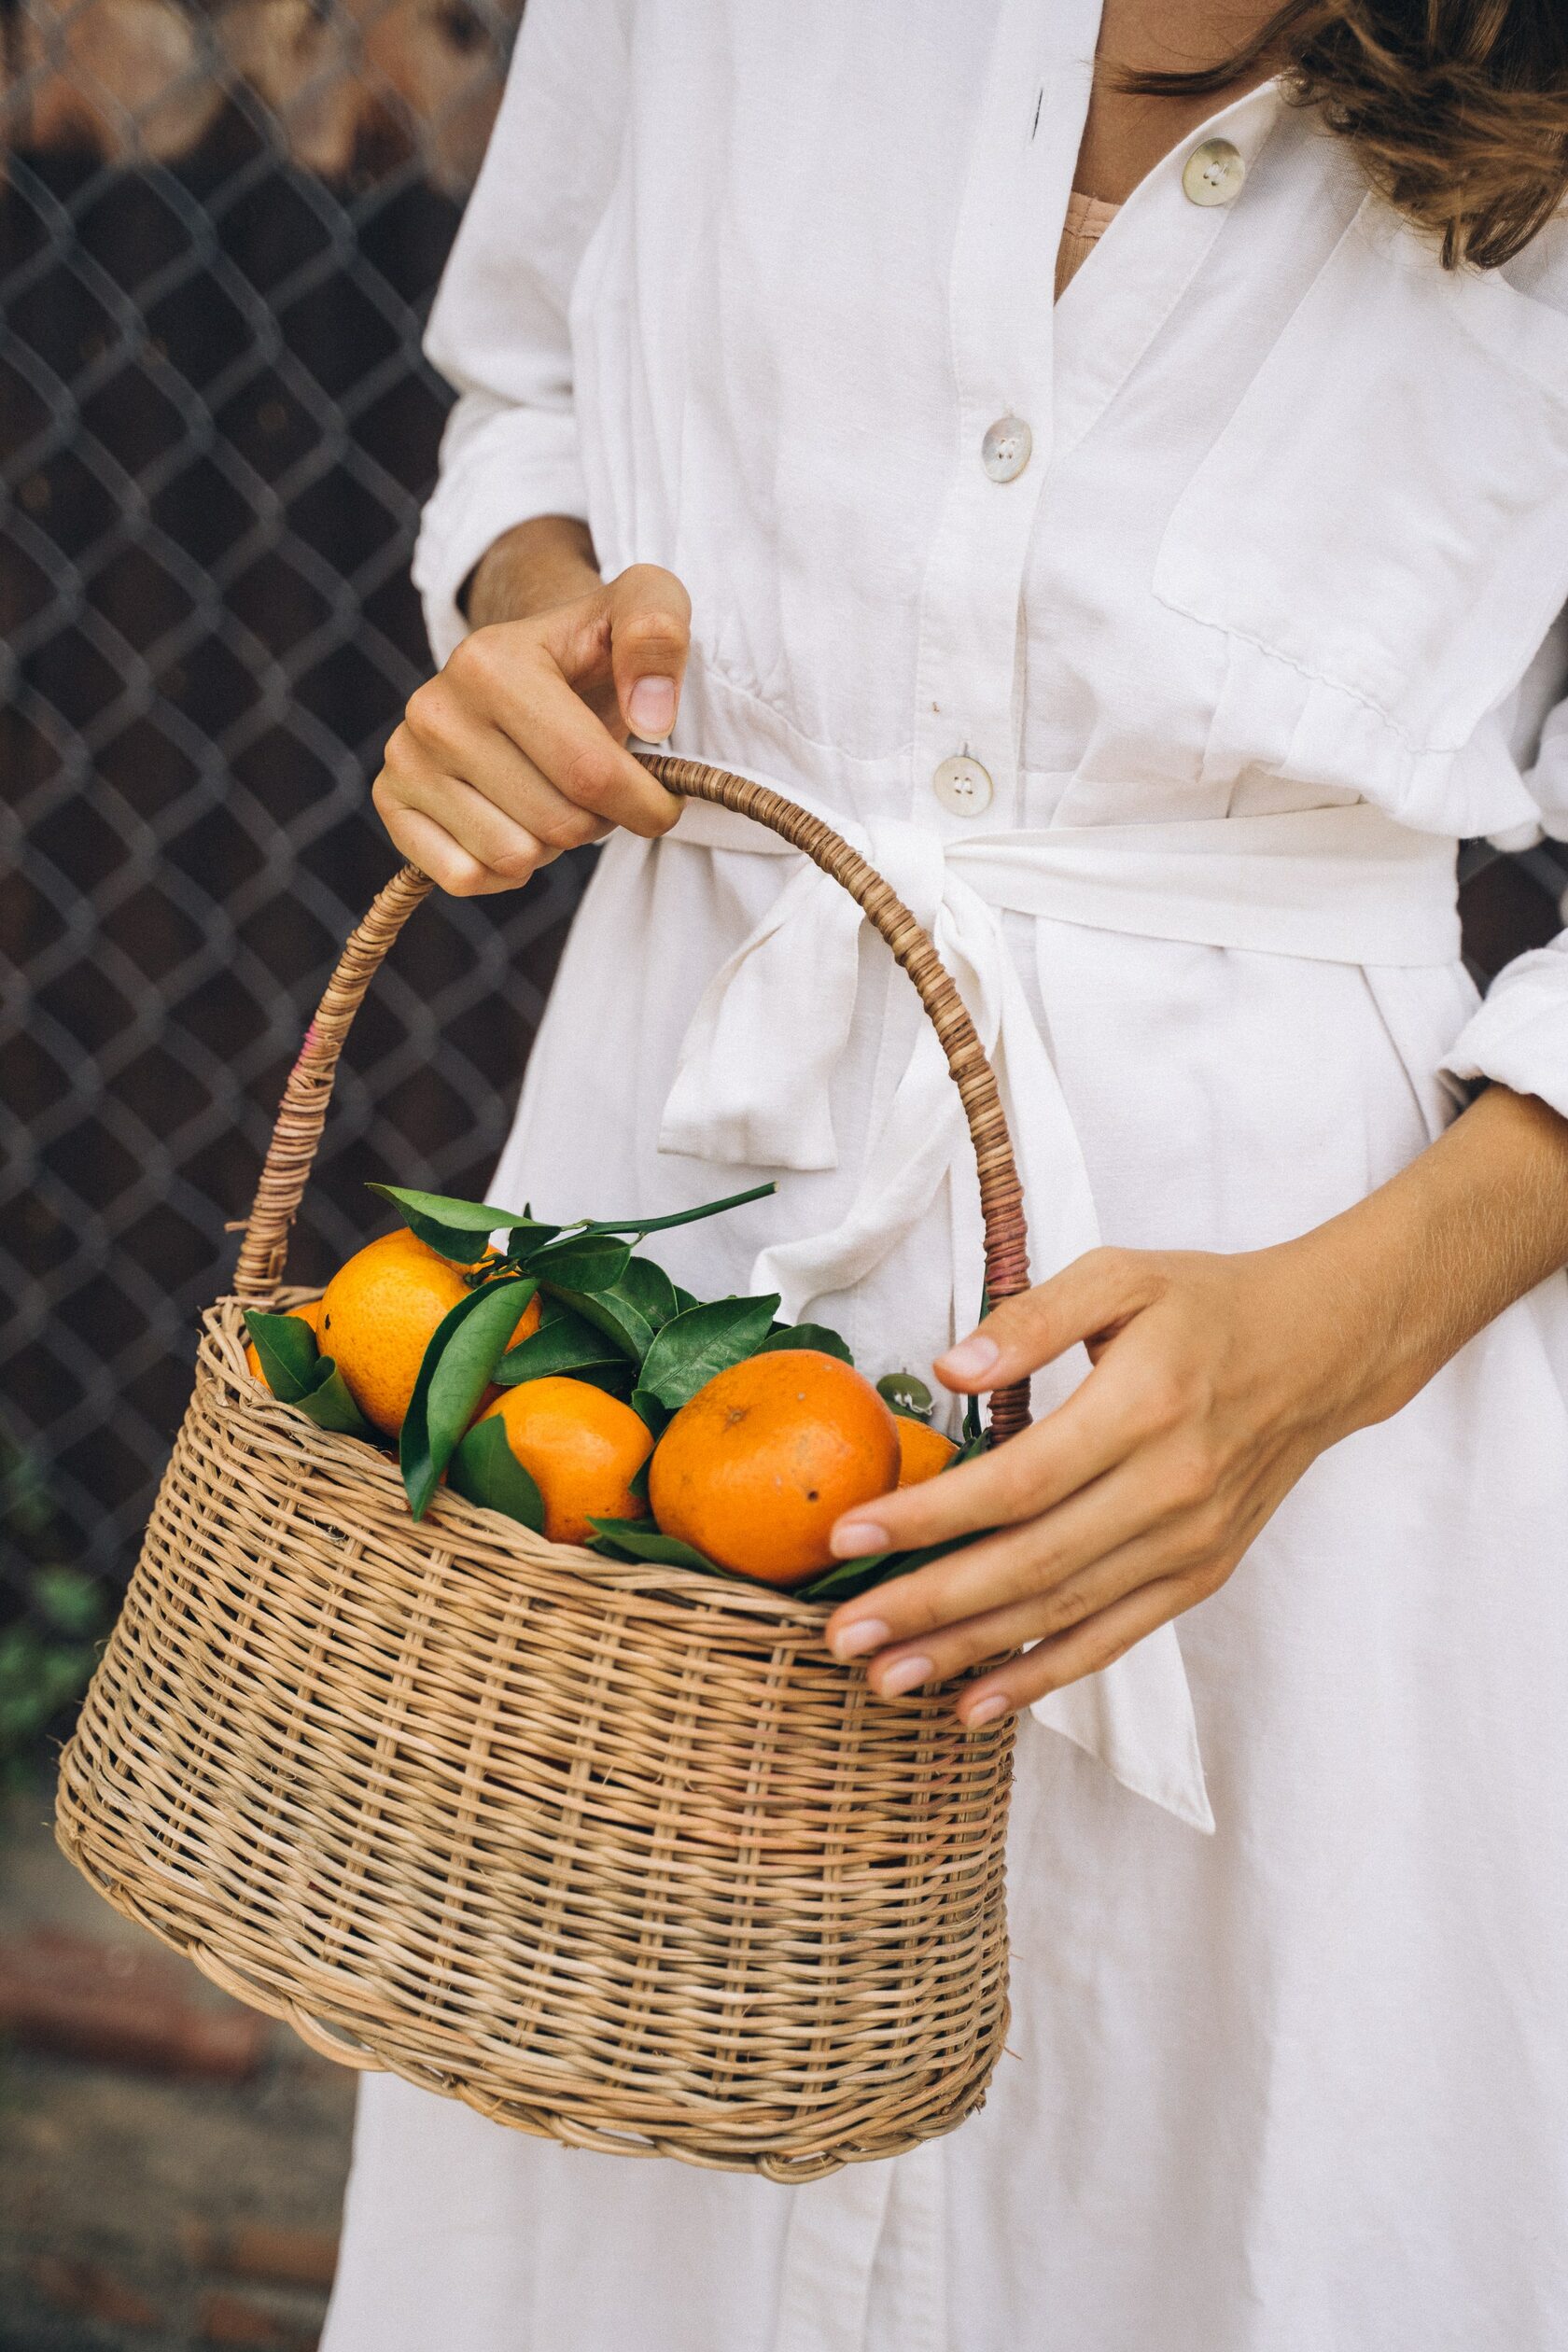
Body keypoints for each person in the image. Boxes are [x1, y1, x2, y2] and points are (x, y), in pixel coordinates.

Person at [321, 3, 1568, 2345]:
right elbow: (534, 396)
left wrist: (1328, 1351)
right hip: (683, 1186)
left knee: (1204, 2194)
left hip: (1286, 1353)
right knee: (616, 2184)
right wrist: (531, 635)